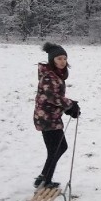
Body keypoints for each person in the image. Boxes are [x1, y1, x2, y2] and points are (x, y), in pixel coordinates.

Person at [33, 43, 80, 189]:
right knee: (59, 147)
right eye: (59, 58)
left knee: (56, 148)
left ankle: (44, 178)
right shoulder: (49, 76)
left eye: (64, 58)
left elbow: (54, 98)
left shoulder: (55, 75)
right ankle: (44, 179)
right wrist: (70, 104)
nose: (62, 61)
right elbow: (52, 96)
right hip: (46, 118)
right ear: (52, 60)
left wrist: (66, 109)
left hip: (50, 116)